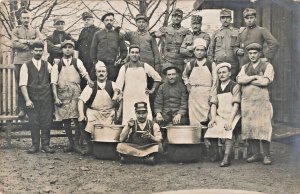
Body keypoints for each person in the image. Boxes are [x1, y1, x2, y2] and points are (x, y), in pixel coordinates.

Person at [51, 40, 93, 153]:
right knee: (66, 120)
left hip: (75, 93)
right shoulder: (57, 65)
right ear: (62, 50)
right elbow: (53, 82)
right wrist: (56, 97)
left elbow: (84, 73)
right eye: (65, 47)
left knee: (77, 118)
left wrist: (89, 80)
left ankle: (76, 143)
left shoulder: (77, 61)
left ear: (73, 49)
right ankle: (71, 143)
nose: (68, 49)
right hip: (62, 94)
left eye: (70, 47)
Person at [236, 43, 274, 165]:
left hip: (261, 101)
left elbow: (265, 82)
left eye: (255, 53)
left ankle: (266, 155)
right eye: (250, 53)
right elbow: (239, 79)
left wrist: (248, 79)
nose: (252, 55)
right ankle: (256, 154)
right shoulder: (245, 67)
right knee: (250, 127)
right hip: (247, 101)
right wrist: (255, 78)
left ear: (259, 53)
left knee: (263, 127)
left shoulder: (267, 66)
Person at [19, 41, 54, 154]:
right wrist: (27, 100)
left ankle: (45, 145)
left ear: (42, 52)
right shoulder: (26, 65)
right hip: (32, 97)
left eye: (40, 50)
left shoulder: (48, 65)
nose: (38, 52)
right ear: (32, 51)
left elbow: (53, 81)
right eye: (36, 50)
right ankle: (35, 145)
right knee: (34, 121)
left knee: (46, 121)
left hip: (46, 97)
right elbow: (23, 84)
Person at [78, 61, 120, 155]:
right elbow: (81, 100)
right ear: (96, 73)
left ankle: (110, 149)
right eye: (99, 71)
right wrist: (81, 115)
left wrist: (117, 109)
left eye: (103, 71)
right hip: (94, 113)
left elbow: (121, 98)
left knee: (113, 127)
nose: (101, 73)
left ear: (107, 73)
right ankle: (90, 147)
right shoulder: (91, 86)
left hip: (109, 113)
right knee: (82, 122)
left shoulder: (113, 84)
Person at [205, 63, 241, 167]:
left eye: (224, 72)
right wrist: (212, 118)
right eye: (219, 73)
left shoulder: (234, 86)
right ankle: (215, 153)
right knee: (211, 129)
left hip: (233, 115)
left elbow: (236, 104)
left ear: (229, 73)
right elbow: (213, 104)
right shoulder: (216, 88)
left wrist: (230, 120)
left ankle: (226, 157)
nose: (222, 75)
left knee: (228, 130)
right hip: (220, 115)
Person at [115, 45, 161, 125]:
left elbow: (158, 78)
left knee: (145, 119)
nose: (134, 54)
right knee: (128, 120)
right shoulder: (124, 67)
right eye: (132, 52)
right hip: (129, 98)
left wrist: (152, 90)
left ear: (139, 54)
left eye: (136, 52)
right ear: (129, 54)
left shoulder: (144, 66)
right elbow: (118, 85)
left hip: (142, 97)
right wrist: (117, 95)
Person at [11, 9, 44, 117]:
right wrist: (31, 45)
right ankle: (22, 109)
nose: (26, 20)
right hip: (20, 61)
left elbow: (41, 41)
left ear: (31, 18)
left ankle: (34, 108)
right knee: (21, 85)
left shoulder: (35, 30)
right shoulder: (16, 30)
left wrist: (25, 41)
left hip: (32, 61)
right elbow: (14, 44)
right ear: (20, 19)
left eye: (28, 18)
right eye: (24, 18)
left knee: (33, 84)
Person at [182, 38, 217, 128]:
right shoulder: (190, 64)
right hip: (194, 93)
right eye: (197, 50)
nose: (199, 52)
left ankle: (206, 136)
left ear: (205, 52)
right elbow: (184, 76)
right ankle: (195, 135)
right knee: (194, 117)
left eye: (202, 50)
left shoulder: (211, 64)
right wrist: (187, 84)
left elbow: (215, 81)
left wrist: (212, 93)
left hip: (206, 92)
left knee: (207, 115)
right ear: (194, 51)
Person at [90, 12, 128, 81]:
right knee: (96, 82)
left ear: (113, 21)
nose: (109, 22)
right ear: (103, 22)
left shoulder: (118, 34)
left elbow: (124, 51)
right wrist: (95, 62)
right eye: (107, 20)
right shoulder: (98, 34)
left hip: (113, 64)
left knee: (111, 83)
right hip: (100, 63)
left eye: (111, 20)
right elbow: (93, 49)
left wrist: (119, 59)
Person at [152, 8, 190, 73]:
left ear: (181, 18)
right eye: (174, 16)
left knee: (180, 80)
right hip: (168, 60)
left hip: (180, 60)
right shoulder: (165, 29)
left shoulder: (186, 31)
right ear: (172, 18)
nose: (176, 18)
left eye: (179, 16)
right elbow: (152, 36)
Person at [208, 8, 240, 81]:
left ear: (231, 19)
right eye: (223, 17)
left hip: (233, 65)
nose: (225, 20)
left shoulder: (236, 32)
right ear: (220, 19)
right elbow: (211, 50)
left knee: (232, 85)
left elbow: (239, 47)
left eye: (227, 17)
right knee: (219, 85)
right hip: (219, 64)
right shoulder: (216, 33)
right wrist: (211, 64)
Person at [75, 12, 100, 81]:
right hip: (83, 60)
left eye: (88, 19)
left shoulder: (97, 31)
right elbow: (78, 46)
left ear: (93, 20)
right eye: (84, 20)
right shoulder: (83, 31)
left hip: (93, 61)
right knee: (84, 79)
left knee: (93, 79)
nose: (86, 21)